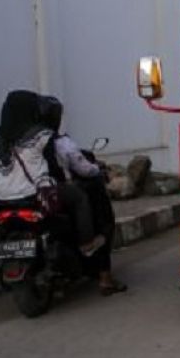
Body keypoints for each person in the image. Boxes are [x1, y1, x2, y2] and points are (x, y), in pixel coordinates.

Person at [0, 90, 104, 257]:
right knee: (79, 197)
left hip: (0, 197)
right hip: (34, 193)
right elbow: (54, 164)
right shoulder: (42, 134)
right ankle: (87, 243)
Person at [39, 97, 126, 295]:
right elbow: (83, 169)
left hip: (31, 196)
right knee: (103, 220)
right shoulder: (59, 141)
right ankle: (105, 277)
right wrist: (98, 170)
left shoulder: (22, 143)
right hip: (59, 193)